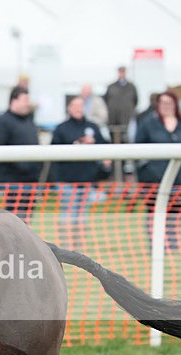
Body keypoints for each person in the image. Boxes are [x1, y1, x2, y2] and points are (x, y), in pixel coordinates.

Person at [135, 90, 181, 250]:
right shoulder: (148, 124)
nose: (166, 106)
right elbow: (138, 149)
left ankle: (172, 244)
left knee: (176, 213)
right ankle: (156, 245)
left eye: (169, 102)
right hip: (155, 179)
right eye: (163, 103)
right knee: (155, 212)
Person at [50, 96, 110, 248]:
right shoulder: (61, 128)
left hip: (87, 180)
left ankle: (79, 247)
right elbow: (54, 151)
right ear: (69, 108)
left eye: (81, 105)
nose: (78, 109)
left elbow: (104, 147)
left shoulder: (93, 127)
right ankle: (65, 247)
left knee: (82, 216)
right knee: (67, 215)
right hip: (67, 181)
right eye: (75, 106)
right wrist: (76, 144)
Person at [0, 85, 42, 220]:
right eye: (25, 100)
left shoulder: (29, 121)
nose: (27, 104)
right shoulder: (1, 122)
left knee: (27, 219)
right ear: (14, 100)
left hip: (31, 180)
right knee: (14, 220)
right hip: (13, 180)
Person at [104, 66, 137, 142]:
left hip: (126, 118)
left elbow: (135, 100)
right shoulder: (111, 87)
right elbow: (106, 99)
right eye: (120, 72)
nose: (121, 74)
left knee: (126, 139)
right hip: (113, 119)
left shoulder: (131, 87)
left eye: (123, 72)